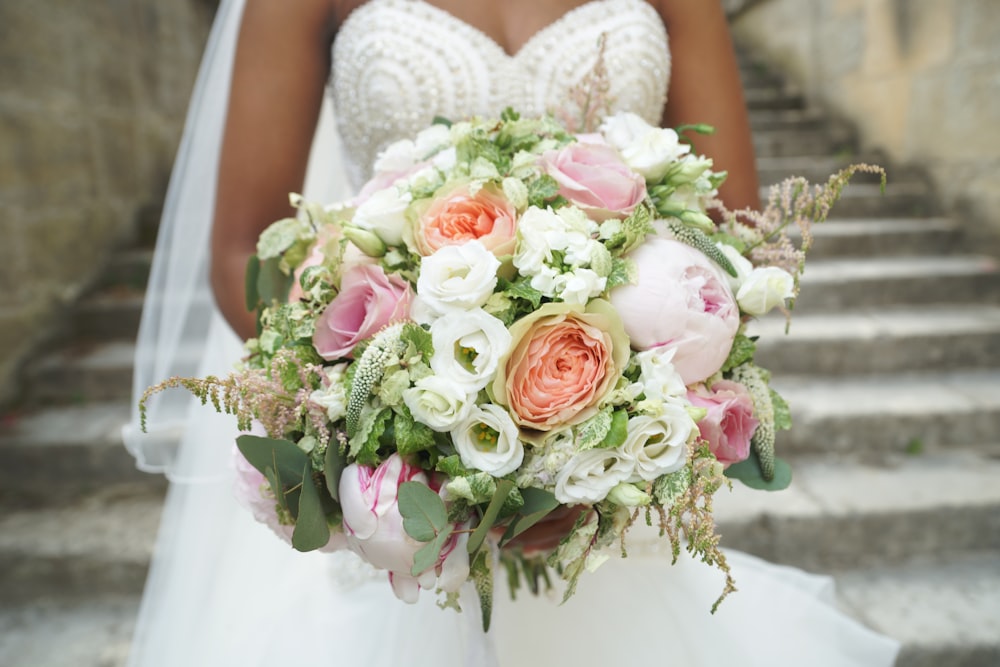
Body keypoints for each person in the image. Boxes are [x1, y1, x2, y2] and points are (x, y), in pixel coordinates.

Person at [124, 1, 901, 664]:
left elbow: (734, 239)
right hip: (403, 486)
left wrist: (596, 446)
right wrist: (410, 443)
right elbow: (243, 251)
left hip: (608, 492)